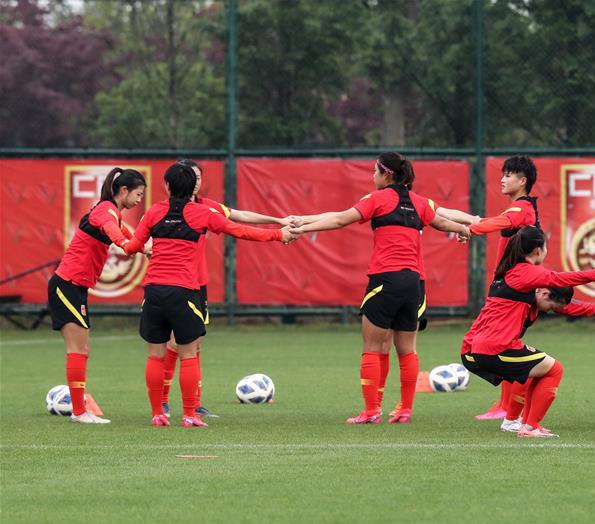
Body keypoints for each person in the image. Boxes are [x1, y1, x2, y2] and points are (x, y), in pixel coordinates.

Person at [294, 152, 471, 424]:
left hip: (385, 280)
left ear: (386, 174)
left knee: (372, 346)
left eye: (374, 172)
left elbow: (341, 219)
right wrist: (463, 229)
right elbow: (444, 223)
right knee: (407, 349)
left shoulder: (377, 199)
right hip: (414, 282)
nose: (371, 176)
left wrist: (304, 228)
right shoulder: (420, 202)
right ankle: (405, 409)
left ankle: (371, 410)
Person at [123, 162, 297, 427]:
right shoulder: (202, 213)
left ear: (167, 186)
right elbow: (239, 230)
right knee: (189, 353)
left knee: (155, 355)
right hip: (184, 292)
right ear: (194, 185)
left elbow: (133, 246)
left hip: (154, 291)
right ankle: (190, 414)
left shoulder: (154, 212)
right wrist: (278, 235)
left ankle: (158, 413)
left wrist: (137, 245)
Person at [460, 226, 595, 438]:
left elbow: (569, 305)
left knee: (533, 370)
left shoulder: (515, 276)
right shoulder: (523, 272)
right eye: (545, 247)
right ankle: (527, 426)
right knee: (554, 369)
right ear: (538, 250)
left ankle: (521, 423)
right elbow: (557, 279)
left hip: (482, 348)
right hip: (492, 348)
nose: (554, 311)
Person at [47, 168, 148, 424]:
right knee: (77, 349)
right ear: (123, 191)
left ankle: (80, 410)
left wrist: (145, 248)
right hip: (67, 284)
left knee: (82, 349)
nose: (139, 200)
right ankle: (79, 412)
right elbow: (115, 233)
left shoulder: (112, 212)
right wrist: (126, 246)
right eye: (137, 194)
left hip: (75, 286)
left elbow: (126, 233)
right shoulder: (106, 210)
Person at [466, 155, 542, 421]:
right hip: (511, 291)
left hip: (514, 294)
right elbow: (498, 220)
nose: (502, 178)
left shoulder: (521, 209)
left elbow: (499, 222)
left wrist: (471, 229)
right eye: (503, 173)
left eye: (509, 174)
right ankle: (505, 405)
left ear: (523, 181)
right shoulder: (522, 208)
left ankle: (508, 409)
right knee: (504, 347)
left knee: (504, 348)